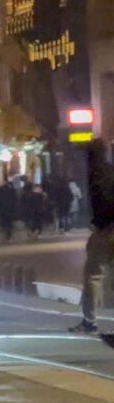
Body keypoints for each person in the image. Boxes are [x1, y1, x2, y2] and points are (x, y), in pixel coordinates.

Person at [70, 140, 114, 335]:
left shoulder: (96, 174)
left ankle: (90, 321)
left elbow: (102, 203)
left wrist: (99, 224)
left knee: (93, 276)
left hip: (106, 231)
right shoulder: (110, 170)